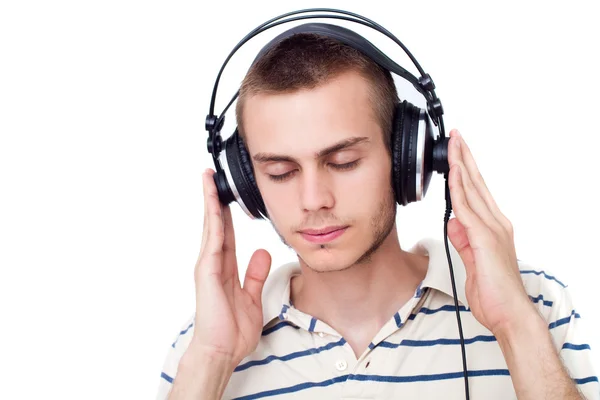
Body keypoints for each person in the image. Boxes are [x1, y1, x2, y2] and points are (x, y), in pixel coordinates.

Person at [156, 32, 599, 400]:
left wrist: (516, 327)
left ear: (412, 158)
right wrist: (211, 361)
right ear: (243, 185)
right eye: (280, 171)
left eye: (344, 161)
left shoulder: (535, 306)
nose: (313, 199)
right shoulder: (204, 348)